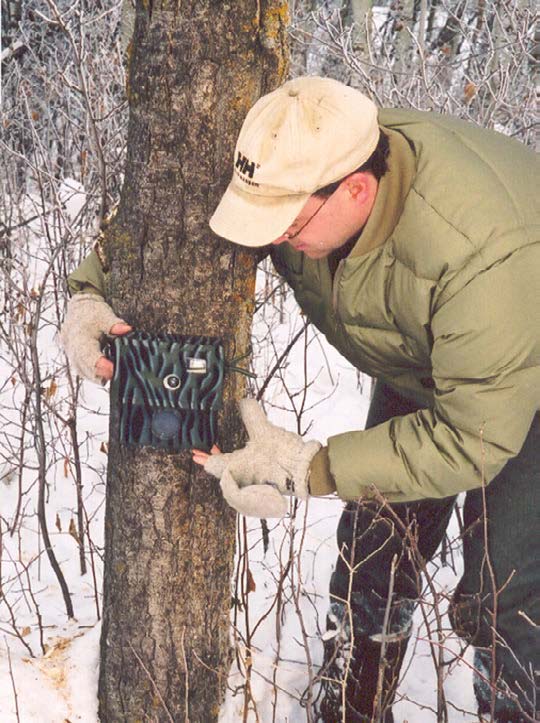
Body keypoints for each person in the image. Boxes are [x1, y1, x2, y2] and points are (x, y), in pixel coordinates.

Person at [61, 77, 539, 721]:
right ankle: (353, 695)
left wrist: (306, 467)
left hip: (522, 358)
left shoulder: (483, 256)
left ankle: (513, 703)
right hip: (431, 352)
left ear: (359, 191)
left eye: (287, 223)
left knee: (509, 584)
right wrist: (90, 289)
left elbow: (470, 438)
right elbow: (173, 212)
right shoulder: (303, 157)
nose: (272, 237)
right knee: (376, 541)